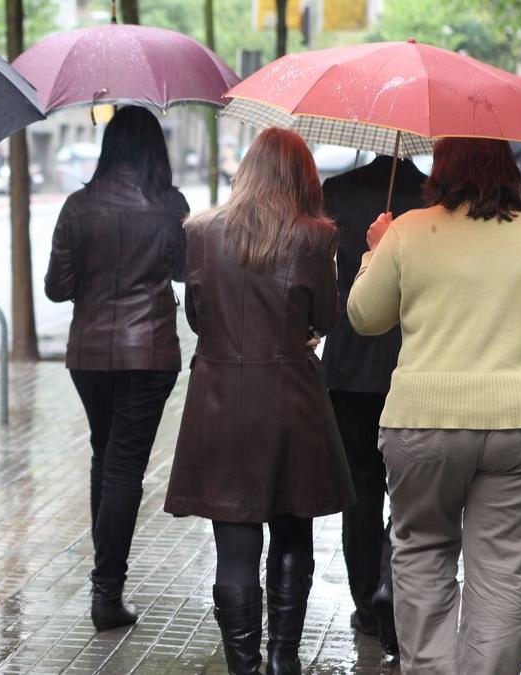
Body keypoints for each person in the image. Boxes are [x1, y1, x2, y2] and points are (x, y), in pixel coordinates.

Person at [348, 137, 521, 675]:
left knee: (423, 555)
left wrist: (375, 250)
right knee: (503, 577)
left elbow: (365, 316)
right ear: (508, 168)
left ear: (442, 167)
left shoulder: (408, 231)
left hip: (424, 425)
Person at [166, 127, 354, 675]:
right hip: (290, 399)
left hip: (220, 401)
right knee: (293, 528)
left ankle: (243, 666)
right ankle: (283, 659)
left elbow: (197, 316)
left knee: (234, 545)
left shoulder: (201, 231)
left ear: (246, 168)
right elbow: (325, 319)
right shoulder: (315, 237)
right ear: (303, 177)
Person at [44, 105, 190, 632]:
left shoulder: (77, 207)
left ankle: (105, 585)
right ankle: (107, 591)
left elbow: (57, 288)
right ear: (156, 150)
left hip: (89, 354)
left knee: (104, 459)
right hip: (149, 352)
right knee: (124, 468)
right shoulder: (172, 206)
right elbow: (181, 272)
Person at [321, 155, 426, 655]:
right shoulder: (435, 199)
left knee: (359, 492)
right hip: (413, 363)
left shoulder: (335, 192)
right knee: (408, 491)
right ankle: (391, 583)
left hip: (349, 363)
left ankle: (366, 603)